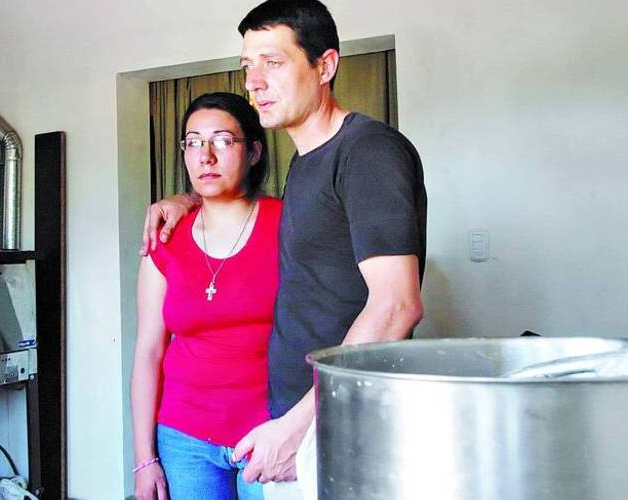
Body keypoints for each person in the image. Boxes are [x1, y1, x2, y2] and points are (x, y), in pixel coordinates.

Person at [140, 1, 427, 497]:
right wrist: (186, 199)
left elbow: (397, 304)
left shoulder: (368, 151)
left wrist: (295, 426)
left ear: (325, 66)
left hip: (331, 424)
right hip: (295, 423)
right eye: (248, 66)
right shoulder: (307, 164)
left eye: (273, 63)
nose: (253, 83)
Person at [131, 92, 282, 500]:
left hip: (269, 434)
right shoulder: (163, 238)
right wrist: (144, 458)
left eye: (222, 141)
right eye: (194, 142)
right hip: (184, 439)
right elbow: (148, 352)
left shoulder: (287, 223)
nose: (206, 156)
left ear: (253, 151)